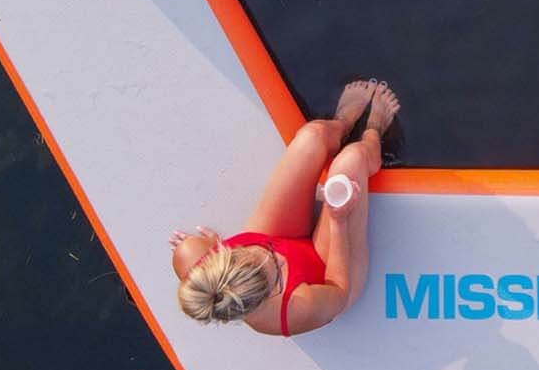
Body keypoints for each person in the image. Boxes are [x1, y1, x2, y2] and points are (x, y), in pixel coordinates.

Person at [170, 79, 399, 336]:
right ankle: (373, 132)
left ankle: (342, 123)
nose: (275, 260)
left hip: (279, 238)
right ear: (264, 299)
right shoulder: (298, 308)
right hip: (329, 275)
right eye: (277, 275)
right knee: (352, 159)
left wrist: (213, 242)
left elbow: (203, 261)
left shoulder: (193, 257)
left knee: (311, 137)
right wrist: (338, 221)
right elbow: (340, 292)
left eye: (243, 255)